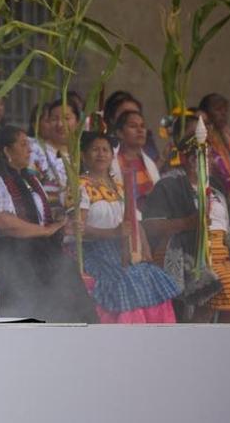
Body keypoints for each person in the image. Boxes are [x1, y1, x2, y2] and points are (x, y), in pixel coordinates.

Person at [0, 125, 97, 323]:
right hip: (8, 254)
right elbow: (3, 222)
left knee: (65, 275)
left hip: (36, 250)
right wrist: (44, 231)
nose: (29, 150)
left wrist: (62, 227)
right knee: (31, 298)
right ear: (6, 151)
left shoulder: (31, 178)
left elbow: (45, 218)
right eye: (23, 144)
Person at [77, 131, 178, 324]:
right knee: (127, 278)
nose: (101, 154)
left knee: (151, 274)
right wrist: (112, 233)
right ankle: (128, 340)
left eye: (105, 150)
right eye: (95, 150)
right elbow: (78, 229)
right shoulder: (79, 186)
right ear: (83, 155)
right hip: (94, 250)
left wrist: (146, 250)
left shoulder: (119, 186)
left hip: (123, 249)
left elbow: (134, 222)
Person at [142, 138, 230, 321]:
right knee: (221, 286)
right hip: (187, 254)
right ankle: (195, 341)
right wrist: (187, 223)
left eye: (209, 155)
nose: (206, 160)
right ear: (185, 159)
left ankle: (226, 344)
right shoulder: (168, 185)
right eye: (199, 156)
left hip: (222, 255)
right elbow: (151, 226)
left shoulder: (216, 186)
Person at [29, 100, 74, 208]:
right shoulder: (33, 149)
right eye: (50, 120)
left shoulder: (78, 154)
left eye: (65, 119)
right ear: (35, 124)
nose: (59, 124)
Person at [111, 110, 161, 207]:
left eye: (142, 126)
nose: (140, 130)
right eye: (133, 126)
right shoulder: (111, 163)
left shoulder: (149, 163)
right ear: (120, 133)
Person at [199, 94, 230, 193]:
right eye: (218, 109)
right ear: (205, 114)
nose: (223, 113)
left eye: (225, 110)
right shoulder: (202, 138)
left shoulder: (227, 135)